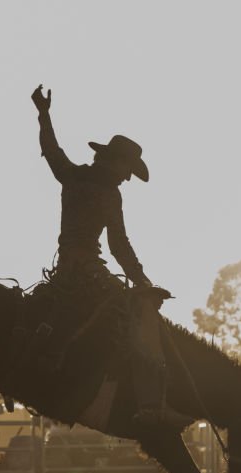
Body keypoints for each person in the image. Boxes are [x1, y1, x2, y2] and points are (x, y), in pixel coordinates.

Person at [31, 85, 190, 428]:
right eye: (127, 170)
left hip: (65, 268)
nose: (126, 177)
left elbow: (51, 149)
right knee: (136, 319)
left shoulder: (72, 176)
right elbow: (118, 244)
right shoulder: (109, 192)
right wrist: (143, 280)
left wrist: (44, 115)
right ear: (115, 162)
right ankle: (148, 404)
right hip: (87, 269)